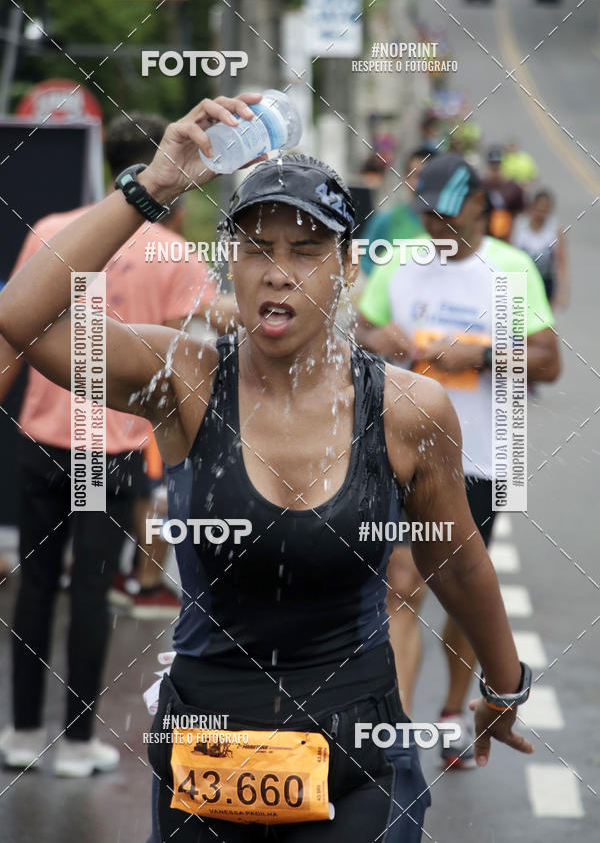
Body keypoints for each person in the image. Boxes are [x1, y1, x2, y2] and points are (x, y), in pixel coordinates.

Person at [0, 94, 536, 841]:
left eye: (307, 249)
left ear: (348, 268)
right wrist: (152, 186)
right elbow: (22, 320)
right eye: (258, 247)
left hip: (358, 766)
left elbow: (460, 563)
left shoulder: (408, 410)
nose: (278, 272)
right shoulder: (181, 379)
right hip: (206, 761)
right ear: (231, 262)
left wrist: (506, 686)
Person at [0, 112, 225, 778]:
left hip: (39, 436)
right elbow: (208, 345)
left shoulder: (51, 231)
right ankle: (74, 742)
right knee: (94, 590)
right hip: (105, 447)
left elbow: (13, 329)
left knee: (38, 587)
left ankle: (17, 733)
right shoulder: (172, 253)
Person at [356, 151, 560, 768]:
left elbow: (548, 359)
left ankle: (451, 707)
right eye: (425, 217)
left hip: (479, 460)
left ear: (479, 207)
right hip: (396, 449)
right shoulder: (403, 265)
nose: (436, 229)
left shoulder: (512, 270)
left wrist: (483, 358)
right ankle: (391, 730)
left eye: (446, 217)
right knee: (400, 584)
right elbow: (361, 328)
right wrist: (377, 339)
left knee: (462, 594)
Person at [359, 148, 430, 276]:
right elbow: (362, 255)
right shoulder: (387, 219)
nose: (421, 183)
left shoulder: (451, 223)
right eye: (416, 175)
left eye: (429, 176)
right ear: (406, 179)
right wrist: (384, 281)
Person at [511, 189, 568, 308]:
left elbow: (561, 261)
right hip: (522, 280)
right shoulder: (519, 227)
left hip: (545, 281)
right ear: (532, 207)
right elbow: (509, 256)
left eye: (545, 210)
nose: (541, 213)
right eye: (539, 209)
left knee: (543, 320)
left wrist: (562, 292)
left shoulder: (554, 230)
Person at [482, 146, 525, 241]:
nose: (495, 168)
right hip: (484, 236)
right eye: (492, 164)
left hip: (506, 235)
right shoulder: (481, 185)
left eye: (498, 164)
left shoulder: (513, 187)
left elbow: (520, 213)